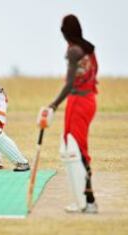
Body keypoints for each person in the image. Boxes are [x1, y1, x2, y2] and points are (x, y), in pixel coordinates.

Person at [38, 14, 98, 213]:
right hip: (89, 100)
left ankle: (87, 201)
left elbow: (70, 83)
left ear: (64, 32)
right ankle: (85, 200)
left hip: (78, 102)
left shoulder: (73, 51)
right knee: (77, 147)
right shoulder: (89, 49)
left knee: (76, 149)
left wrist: (53, 105)